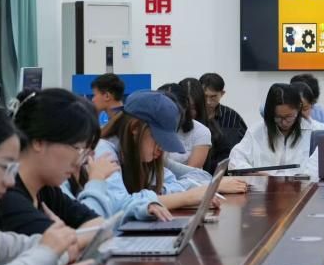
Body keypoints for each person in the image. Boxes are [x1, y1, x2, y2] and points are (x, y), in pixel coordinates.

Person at [81, 90, 219, 223]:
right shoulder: (103, 152)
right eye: (158, 139)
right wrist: (185, 198)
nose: (162, 148)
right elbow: (118, 205)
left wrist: (158, 193)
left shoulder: (141, 155)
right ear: (135, 128)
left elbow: (171, 182)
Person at [0, 90, 104, 240]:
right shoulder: (7, 196)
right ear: (39, 142)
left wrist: (69, 239)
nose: (79, 162)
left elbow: (99, 225)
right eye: (78, 149)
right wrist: (68, 239)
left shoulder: (46, 190)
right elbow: (54, 246)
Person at [229, 83, 318, 173]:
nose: (284, 122)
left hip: (300, 182)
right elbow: (235, 159)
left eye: (289, 117)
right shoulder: (256, 131)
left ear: (299, 108)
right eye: (278, 117)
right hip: (262, 181)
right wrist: (253, 173)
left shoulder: (313, 132)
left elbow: (318, 168)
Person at [200, 72, 247, 171]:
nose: (208, 102)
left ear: (222, 93)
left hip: (226, 172)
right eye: (204, 96)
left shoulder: (233, 117)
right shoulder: (193, 116)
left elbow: (244, 148)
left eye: (213, 97)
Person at [159, 82, 212, 169]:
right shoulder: (148, 128)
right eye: (163, 111)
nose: (167, 116)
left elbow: (193, 171)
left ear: (185, 108)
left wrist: (164, 162)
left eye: (174, 111)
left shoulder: (201, 131)